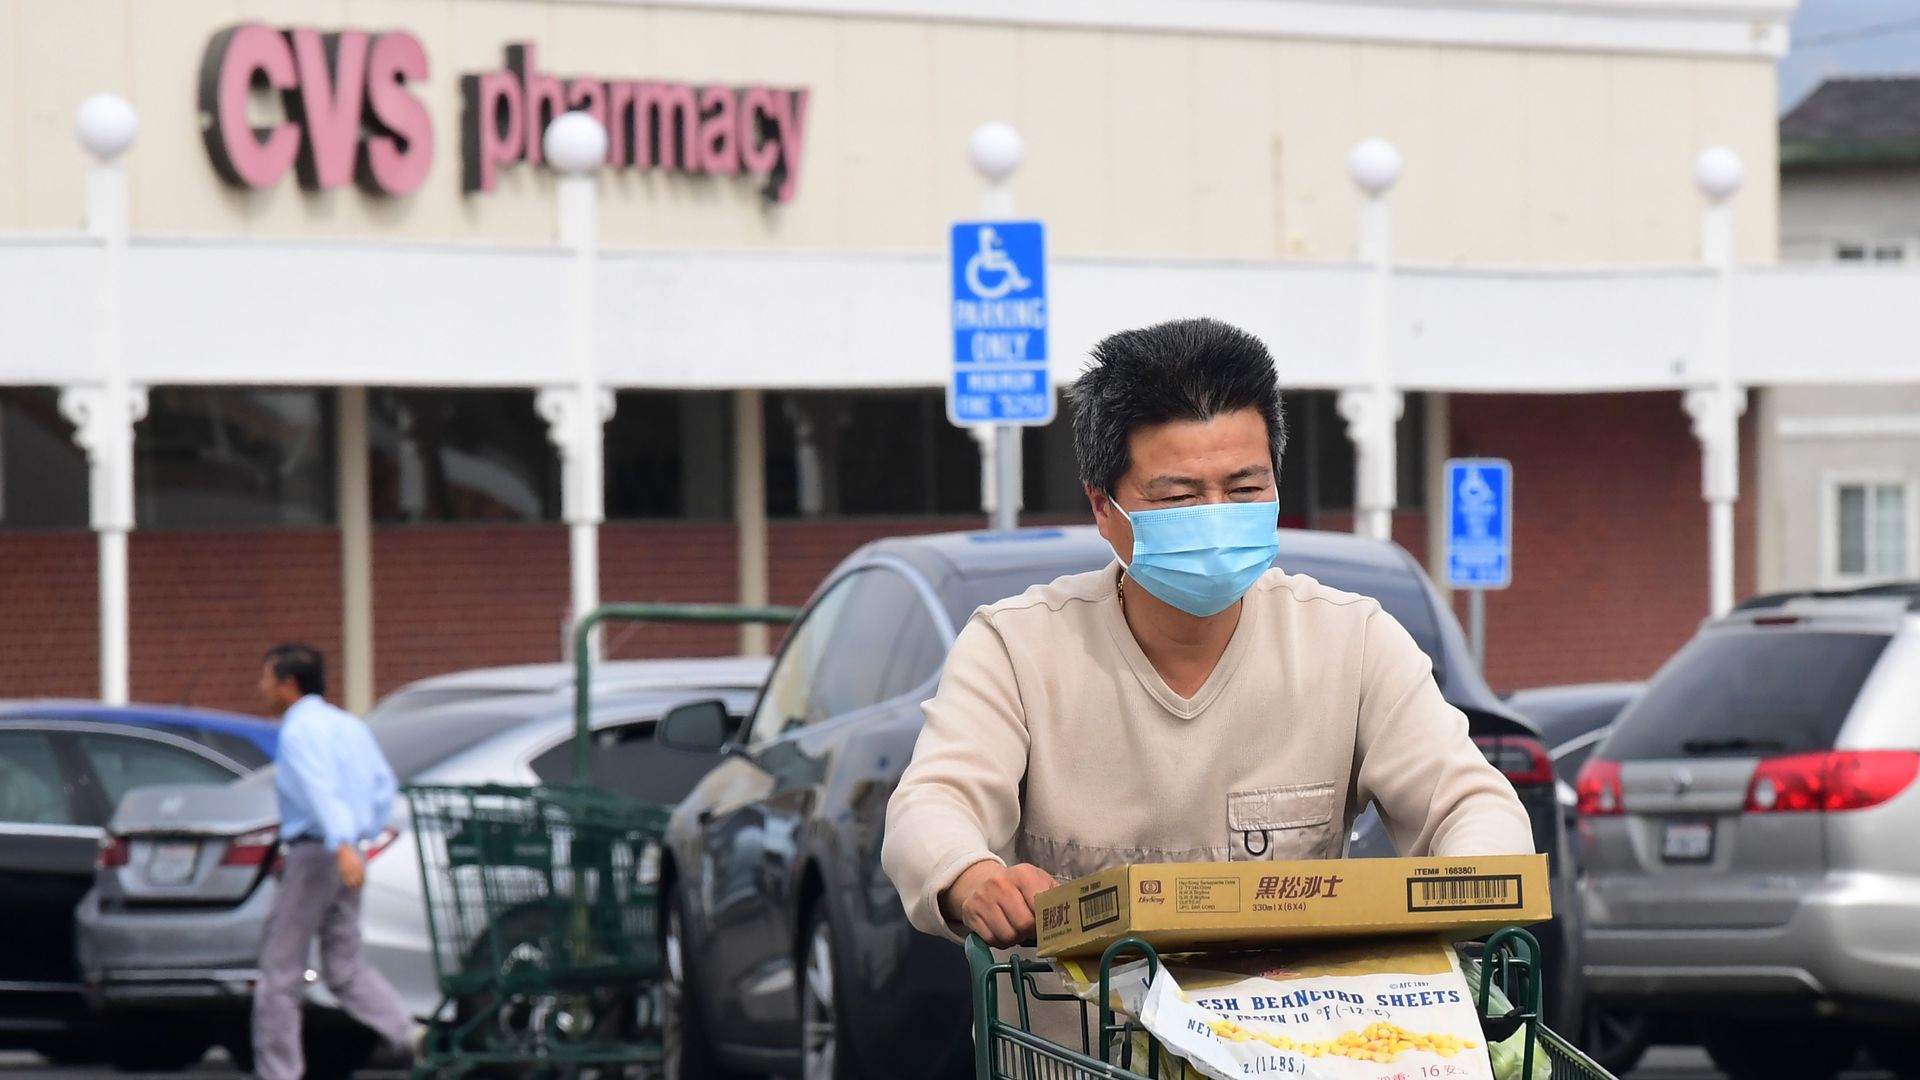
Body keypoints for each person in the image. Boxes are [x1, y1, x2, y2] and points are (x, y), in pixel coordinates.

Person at [882, 317, 1534, 951]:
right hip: (1083, 1052)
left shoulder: (1353, 643)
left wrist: (1470, 880)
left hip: (1290, 1045)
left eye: (1245, 486)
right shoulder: (1017, 651)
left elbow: (1468, 803)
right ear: (1103, 509)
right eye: (1180, 497)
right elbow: (932, 804)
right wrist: (974, 878)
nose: (1218, 517)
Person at [253, 643, 418, 1080]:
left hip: (316, 853)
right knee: (344, 967)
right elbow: (383, 786)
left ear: (289, 684)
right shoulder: (350, 727)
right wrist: (359, 839)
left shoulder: (298, 730)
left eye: (267, 678)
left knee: (280, 973)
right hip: (349, 857)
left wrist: (341, 841)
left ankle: (280, 1072)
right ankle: (406, 1032)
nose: (261, 688)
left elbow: (317, 787)